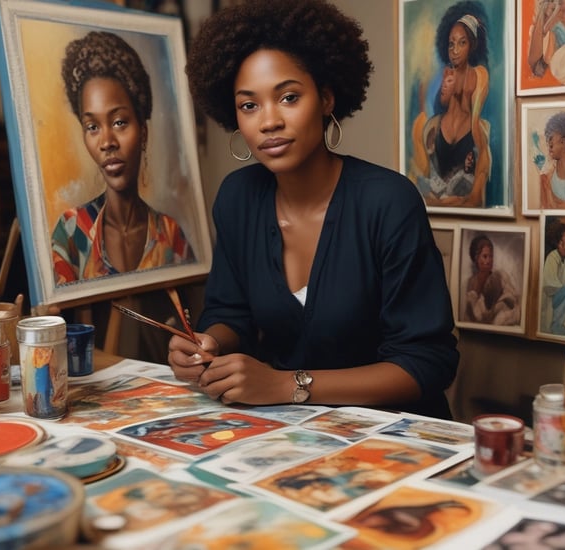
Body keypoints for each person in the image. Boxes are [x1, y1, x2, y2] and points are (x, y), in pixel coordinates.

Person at [170, 0, 458, 418]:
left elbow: (427, 363)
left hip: (397, 437)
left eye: (288, 97)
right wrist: (208, 342)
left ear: (325, 98)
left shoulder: (388, 202)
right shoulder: (237, 198)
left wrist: (288, 385)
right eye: (249, 105)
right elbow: (230, 313)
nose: (268, 121)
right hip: (292, 435)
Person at [50, 31, 194, 284]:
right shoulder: (72, 231)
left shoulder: (170, 235)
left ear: (143, 131)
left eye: (119, 122)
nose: (107, 143)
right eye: (92, 127)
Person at [411, 1, 491, 208]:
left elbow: (475, 119)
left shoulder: (479, 75)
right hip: (444, 133)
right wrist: (446, 89)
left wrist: (478, 147)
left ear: (472, 45)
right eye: (451, 44)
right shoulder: (447, 73)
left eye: (461, 43)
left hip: (467, 133)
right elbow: (441, 104)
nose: (455, 50)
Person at [463, 234, 520, 326]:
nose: (489, 260)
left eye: (491, 256)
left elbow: (512, 299)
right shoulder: (471, 282)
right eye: (485, 256)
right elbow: (472, 315)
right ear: (476, 258)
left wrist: (498, 307)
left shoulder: (500, 276)